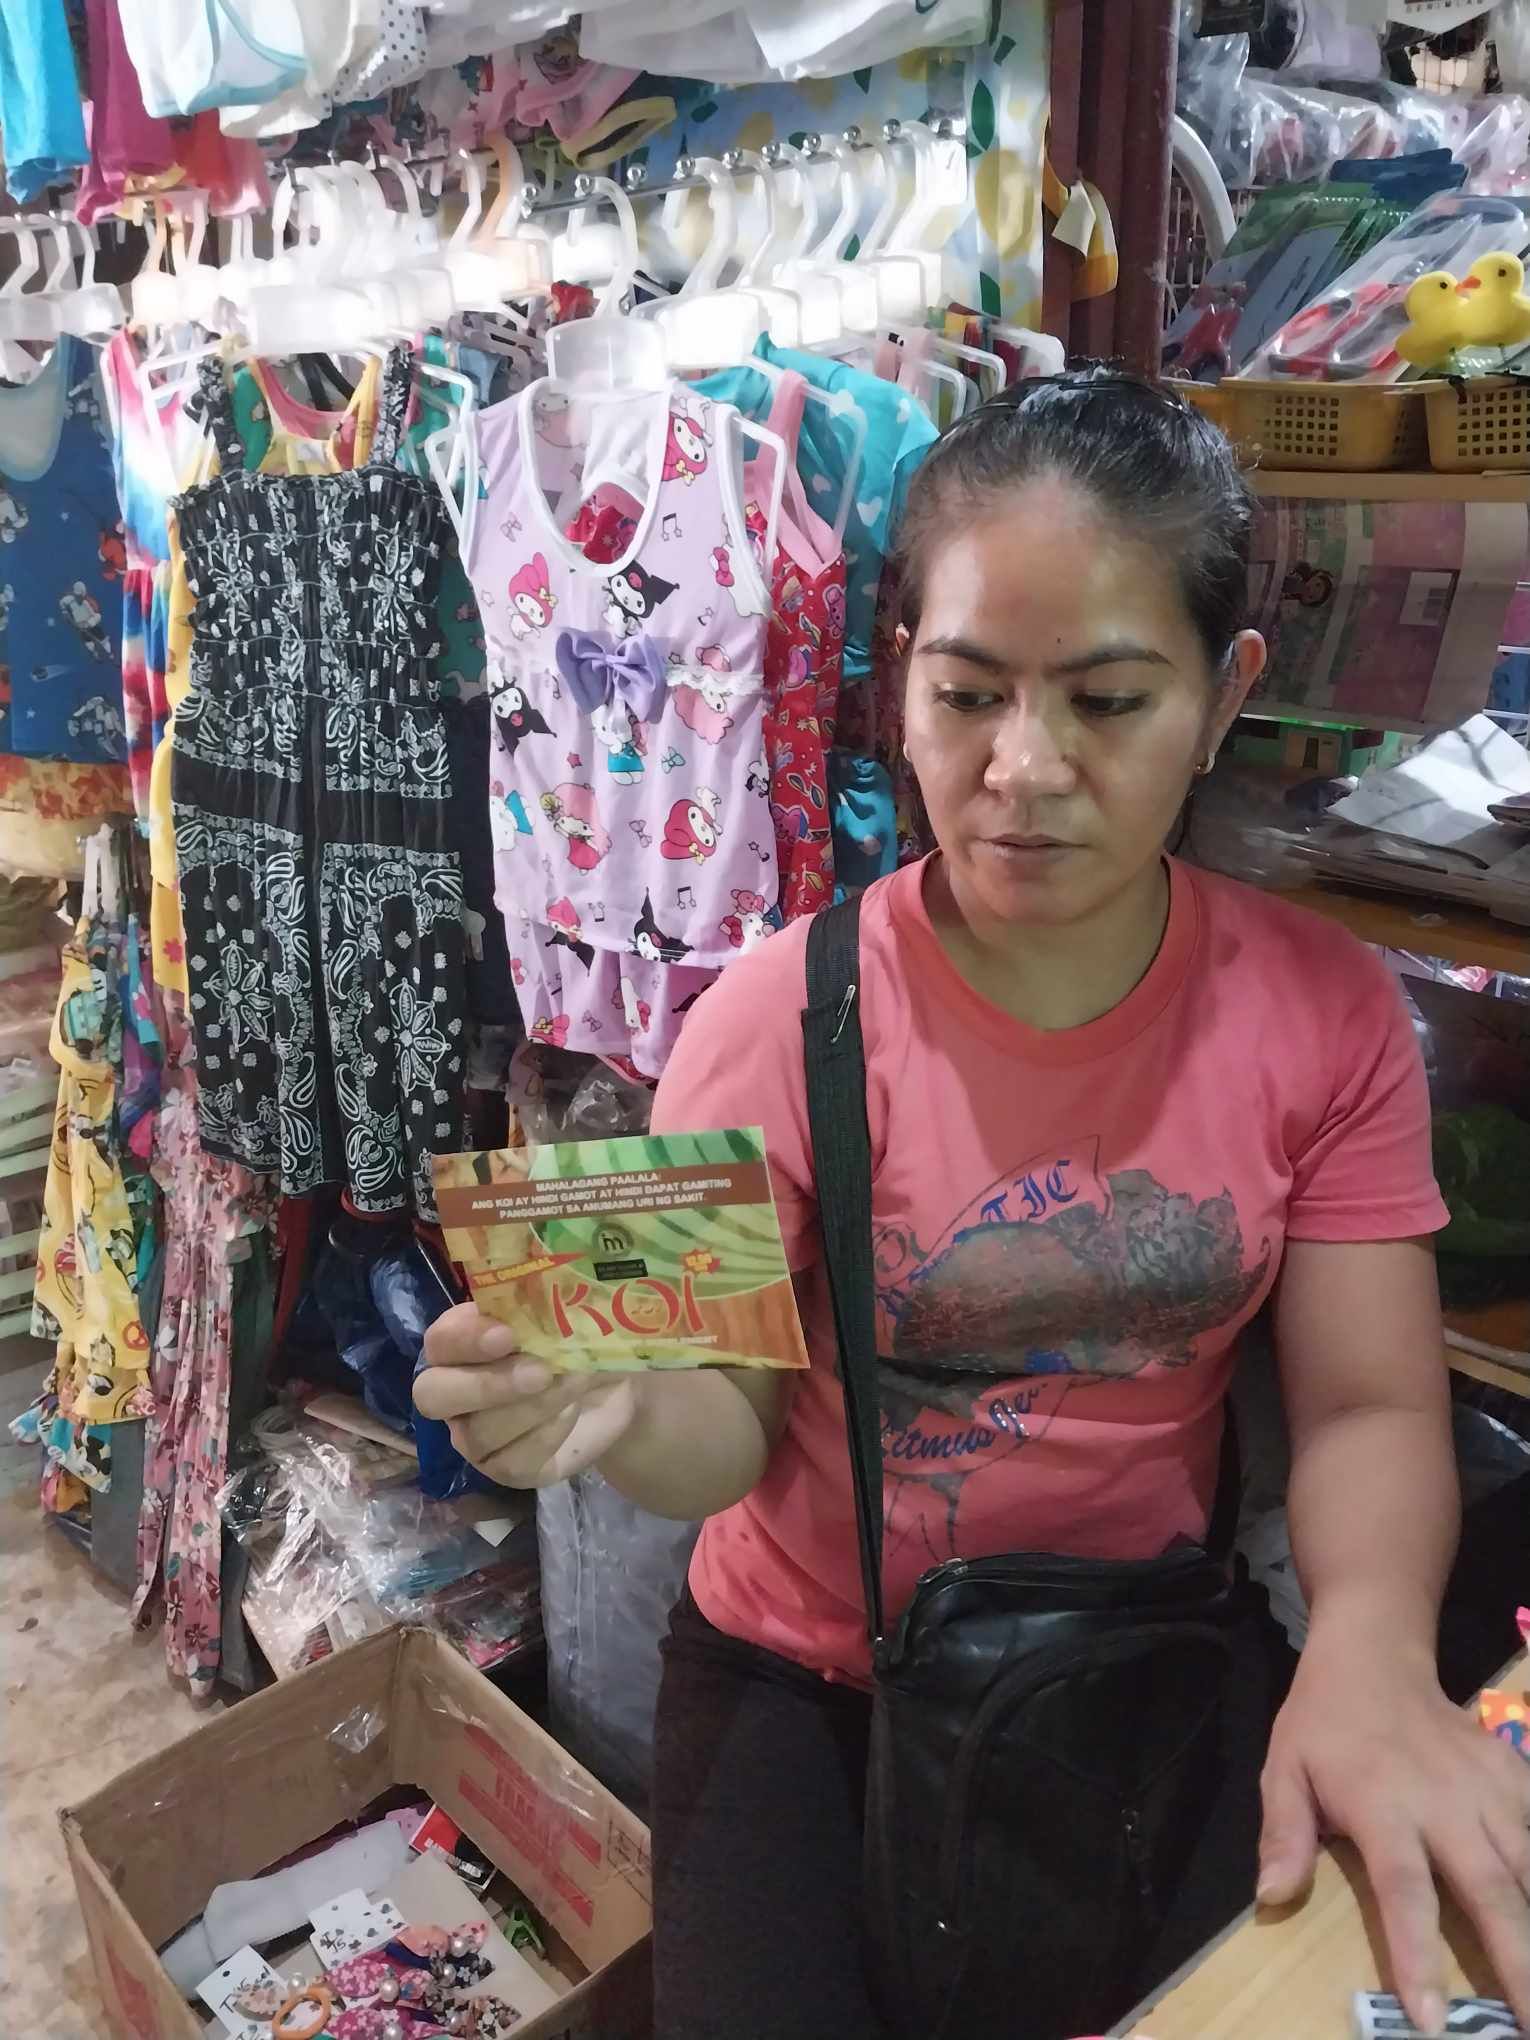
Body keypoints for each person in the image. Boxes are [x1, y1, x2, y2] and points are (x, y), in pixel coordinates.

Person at [416, 369, 1530, 2040]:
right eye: (969, 695)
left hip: (1137, 1657)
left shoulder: (1321, 1015)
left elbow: (1368, 1399)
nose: (1025, 768)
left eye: (1105, 700)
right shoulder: (770, 1021)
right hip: (805, 1688)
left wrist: (1367, 1643)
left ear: (1223, 696)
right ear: (898, 695)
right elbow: (719, 1424)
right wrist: (602, 1408)